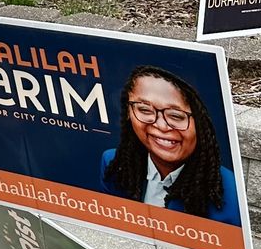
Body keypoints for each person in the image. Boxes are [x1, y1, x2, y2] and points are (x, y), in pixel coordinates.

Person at [100, 66, 240, 225]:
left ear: (201, 124)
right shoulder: (113, 165)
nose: (161, 125)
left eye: (176, 116)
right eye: (145, 110)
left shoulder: (228, 194)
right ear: (128, 112)